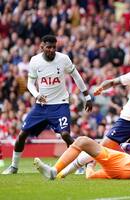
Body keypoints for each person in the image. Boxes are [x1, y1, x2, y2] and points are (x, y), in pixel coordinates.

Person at [2, 35, 93, 174]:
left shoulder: (63, 59)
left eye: (54, 47)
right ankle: (14, 166)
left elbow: (76, 76)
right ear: (42, 47)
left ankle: (79, 164)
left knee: (65, 135)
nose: (51, 50)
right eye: (48, 47)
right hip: (41, 107)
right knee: (22, 134)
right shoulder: (35, 61)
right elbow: (30, 84)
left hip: (60, 105)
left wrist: (87, 95)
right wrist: (37, 95)